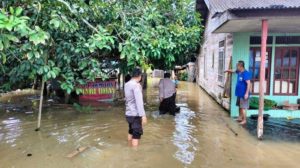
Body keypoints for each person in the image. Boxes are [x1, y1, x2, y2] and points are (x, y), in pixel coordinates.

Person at [124, 68, 147, 147]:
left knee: (131, 130)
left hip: (128, 114)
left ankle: (128, 145)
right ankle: (134, 153)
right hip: (135, 115)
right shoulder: (136, 86)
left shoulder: (127, 84)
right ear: (139, 76)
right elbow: (139, 102)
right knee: (136, 134)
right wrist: (143, 115)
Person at [225, 60, 251, 125]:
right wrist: (227, 70)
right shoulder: (239, 72)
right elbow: (233, 71)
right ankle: (240, 118)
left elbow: (249, 84)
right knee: (239, 106)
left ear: (240, 66)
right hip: (239, 93)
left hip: (244, 94)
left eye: (237, 66)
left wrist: (246, 93)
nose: (236, 67)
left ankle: (244, 120)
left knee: (243, 107)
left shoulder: (246, 73)